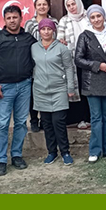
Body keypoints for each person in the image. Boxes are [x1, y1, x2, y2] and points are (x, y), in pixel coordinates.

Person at [0, 5, 37, 176]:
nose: (12, 21)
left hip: (24, 85)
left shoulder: (28, 38)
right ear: (4, 20)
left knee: (21, 122)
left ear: (21, 19)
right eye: (9, 18)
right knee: (2, 124)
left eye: (15, 17)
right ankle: (0, 160)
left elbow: (41, 51)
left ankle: (16, 155)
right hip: (3, 87)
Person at [74, 4, 106, 162]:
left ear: (103, 17)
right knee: (96, 117)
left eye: (98, 16)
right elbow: (78, 59)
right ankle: (95, 150)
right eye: (92, 17)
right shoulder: (85, 36)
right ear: (89, 19)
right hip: (92, 82)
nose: (96, 19)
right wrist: (97, 65)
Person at [31, 18, 78, 166]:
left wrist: (70, 88)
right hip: (40, 90)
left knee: (58, 122)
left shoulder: (62, 48)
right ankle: (51, 152)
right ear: (39, 31)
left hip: (58, 89)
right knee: (46, 123)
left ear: (53, 31)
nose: (46, 32)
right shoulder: (33, 47)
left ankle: (65, 152)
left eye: (49, 29)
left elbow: (69, 68)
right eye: (43, 29)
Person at [24, 0, 59, 133]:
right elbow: (26, 42)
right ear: (35, 6)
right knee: (34, 92)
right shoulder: (29, 23)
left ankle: (46, 120)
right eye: (39, 4)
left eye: (44, 4)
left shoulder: (54, 21)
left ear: (48, 6)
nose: (42, 7)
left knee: (48, 90)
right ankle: (34, 120)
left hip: (50, 62)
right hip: (34, 61)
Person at [57, 0, 91, 129]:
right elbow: (60, 39)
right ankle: (79, 118)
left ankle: (88, 118)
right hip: (72, 59)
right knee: (77, 89)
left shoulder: (89, 17)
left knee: (89, 88)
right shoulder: (64, 20)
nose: (72, 7)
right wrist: (62, 41)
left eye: (73, 4)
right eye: (69, 5)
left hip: (89, 59)